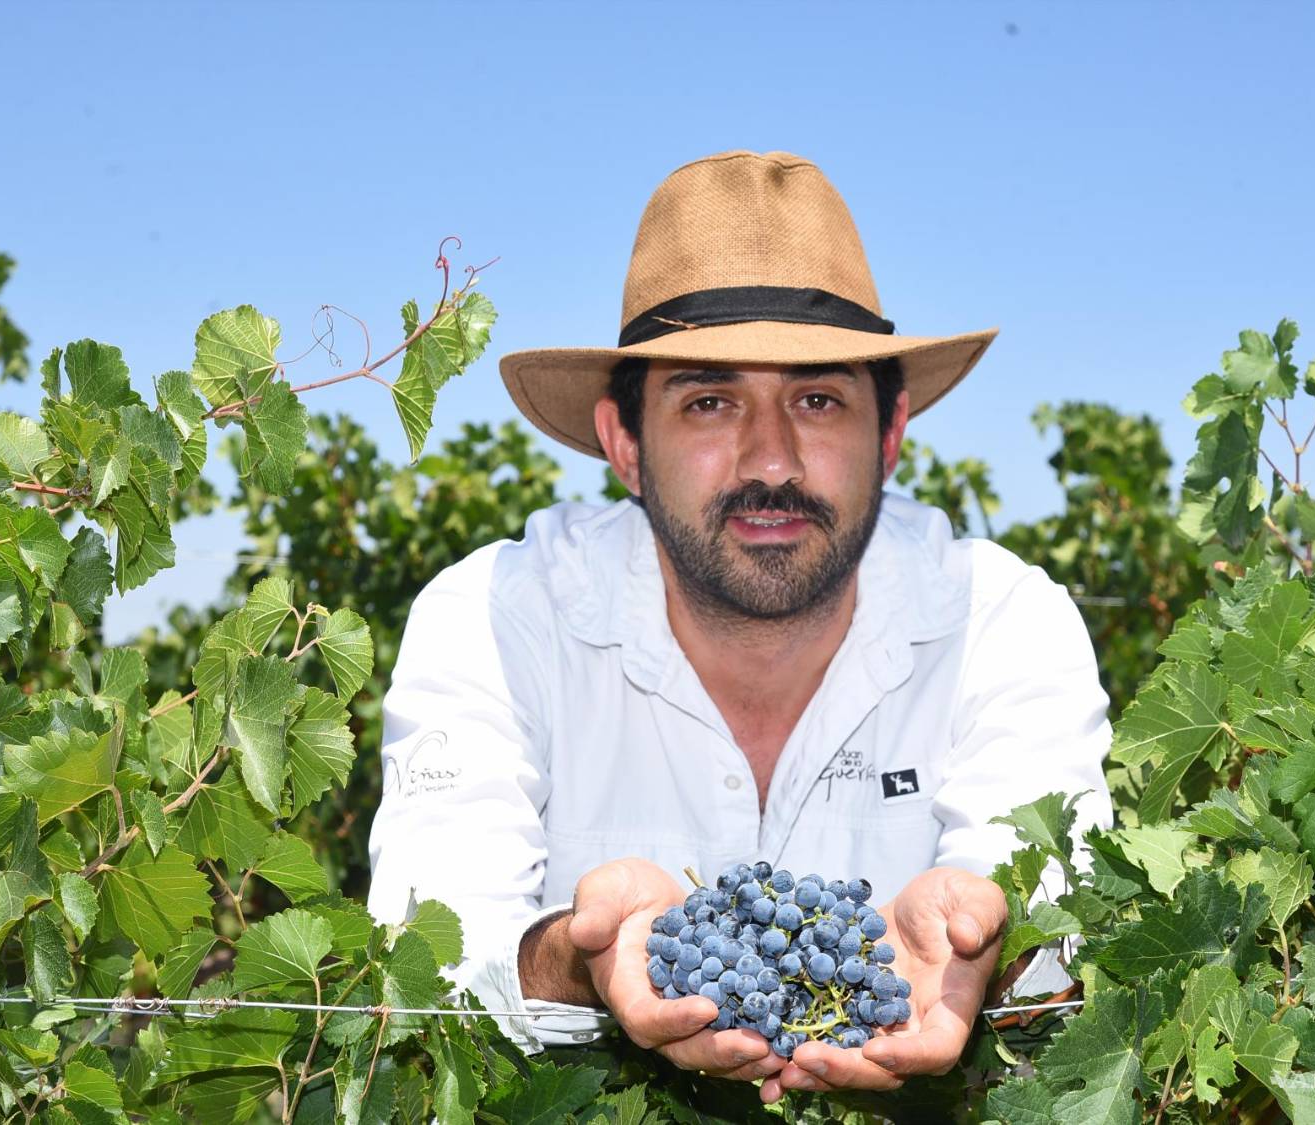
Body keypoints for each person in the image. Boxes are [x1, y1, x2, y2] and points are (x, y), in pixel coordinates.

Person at [367, 149, 1114, 1103]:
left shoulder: (1001, 621)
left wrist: (995, 942)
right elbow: (429, 950)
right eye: (710, 400)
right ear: (625, 444)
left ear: (888, 436)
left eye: (817, 399)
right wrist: (574, 957)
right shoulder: (495, 620)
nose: (771, 458)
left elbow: (1067, 916)